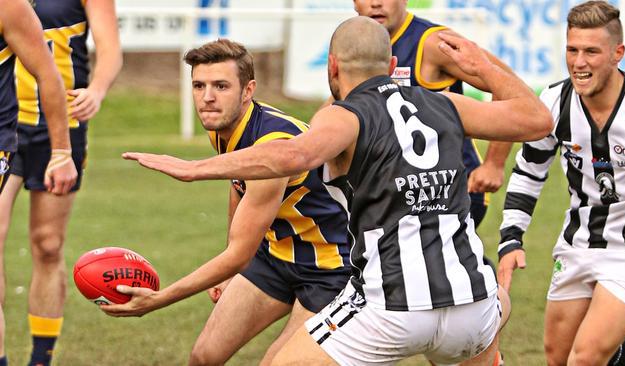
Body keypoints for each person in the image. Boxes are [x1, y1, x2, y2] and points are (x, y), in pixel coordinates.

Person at [122, 16, 553, 365]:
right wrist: (483, 70)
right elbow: (537, 120)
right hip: (473, 309)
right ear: (390, 65)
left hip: (391, 309)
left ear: (332, 66)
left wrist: (194, 168)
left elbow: (289, 157)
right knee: (492, 304)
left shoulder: (343, 116)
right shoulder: (446, 104)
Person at [102, 39, 351, 366]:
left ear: (248, 90)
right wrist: (229, 269)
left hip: (329, 269)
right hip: (275, 256)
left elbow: (238, 253)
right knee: (204, 356)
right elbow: (238, 187)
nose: (207, 98)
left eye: (221, 86)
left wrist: (159, 299)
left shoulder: (271, 144)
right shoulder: (222, 123)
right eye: (199, 85)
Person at [497, 1, 625, 365]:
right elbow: (529, 171)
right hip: (577, 244)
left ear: (618, 54)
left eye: (591, 52)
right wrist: (510, 238)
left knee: (583, 358)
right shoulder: (554, 101)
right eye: (572, 50)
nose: (579, 62)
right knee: (558, 357)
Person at [0, 1, 121, 365]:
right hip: (7, 127)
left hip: (59, 124)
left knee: (48, 244)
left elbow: (110, 48)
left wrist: (96, 90)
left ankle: (41, 359)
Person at [353, 0, 513, 227]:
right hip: (394, 189)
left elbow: (508, 85)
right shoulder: (357, 44)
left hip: (451, 189)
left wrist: (494, 163)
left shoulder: (432, 43)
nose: (376, 3)